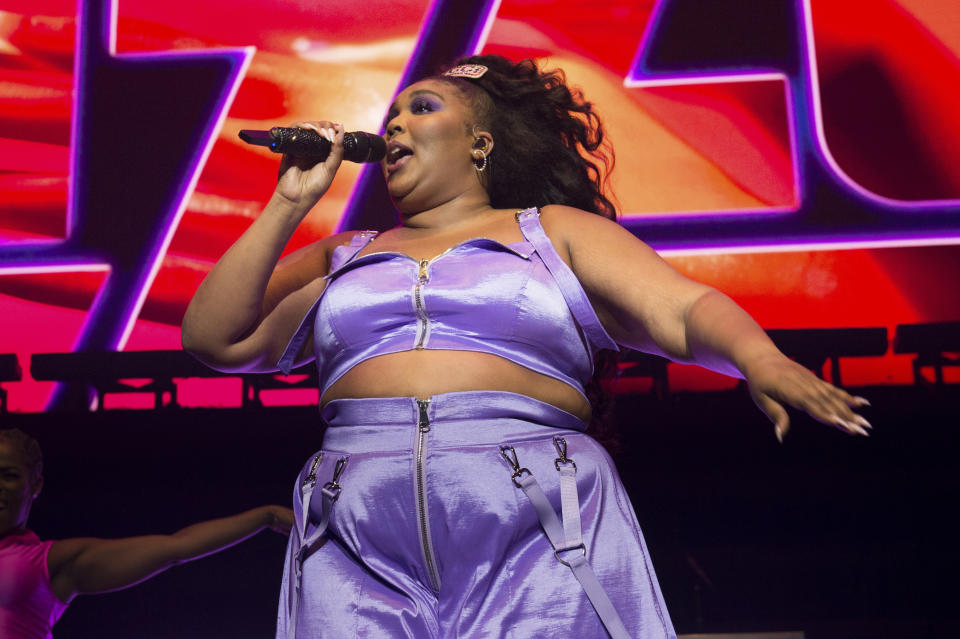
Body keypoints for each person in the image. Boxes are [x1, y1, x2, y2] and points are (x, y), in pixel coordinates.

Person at [180, 54, 870, 639]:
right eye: (391, 113)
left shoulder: (550, 232)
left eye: (420, 108)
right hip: (355, 522)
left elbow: (685, 309)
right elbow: (217, 338)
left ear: (480, 142)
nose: (393, 122)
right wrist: (289, 203)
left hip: (530, 514)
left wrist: (760, 358)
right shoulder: (350, 253)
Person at [0, 427, 295, 639]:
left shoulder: (42, 564)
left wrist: (264, 517)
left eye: (9, 475)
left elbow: (177, 548)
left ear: (35, 486)